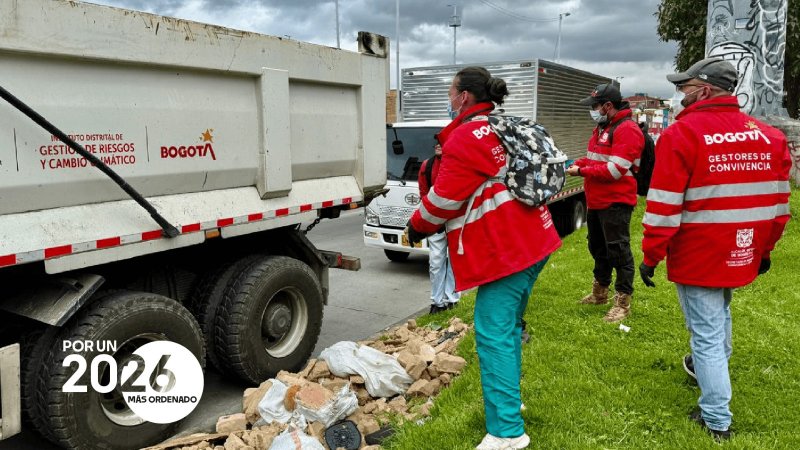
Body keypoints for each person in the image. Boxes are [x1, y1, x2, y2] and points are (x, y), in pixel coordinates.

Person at [405, 67, 561, 450]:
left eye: (450, 91)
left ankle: (507, 433)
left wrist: (415, 226)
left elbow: (443, 200)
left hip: (509, 250)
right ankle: (510, 402)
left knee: (493, 334)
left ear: (463, 98)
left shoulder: (463, 139)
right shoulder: (499, 125)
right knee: (507, 330)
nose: (449, 97)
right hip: (535, 239)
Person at [640, 57, 791, 441]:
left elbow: (663, 206)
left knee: (705, 331)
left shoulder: (681, 135)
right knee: (719, 316)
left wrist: (651, 255)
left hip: (699, 252)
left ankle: (716, 419)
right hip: (742, 250)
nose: (678, 97)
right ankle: (705, 371)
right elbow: (779, 206)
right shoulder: (769, 137)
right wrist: (765, 250)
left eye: (683, 88)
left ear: (703, 90)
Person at [567, 83, 644, 322]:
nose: (592, 110)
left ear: (607, 106)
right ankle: (599, 292)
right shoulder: (603, 127)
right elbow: (595, 158)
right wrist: (576, 162)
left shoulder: (626, 129)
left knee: (618, 251)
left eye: (595, 106)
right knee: (597, 248)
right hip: (597, 201)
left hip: (616, 202)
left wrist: (581, 171)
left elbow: (614, 170)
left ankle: (622, 301)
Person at [418, 143, 460, 313]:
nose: (437, 144)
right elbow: (423, 193)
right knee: (436, 261)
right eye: (436, 140)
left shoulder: (459, 165)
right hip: (435, 222)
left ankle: (452, 299)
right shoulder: (427, 166)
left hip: (456, 220)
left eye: (442, 141)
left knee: (454, 262)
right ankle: (437, 302)